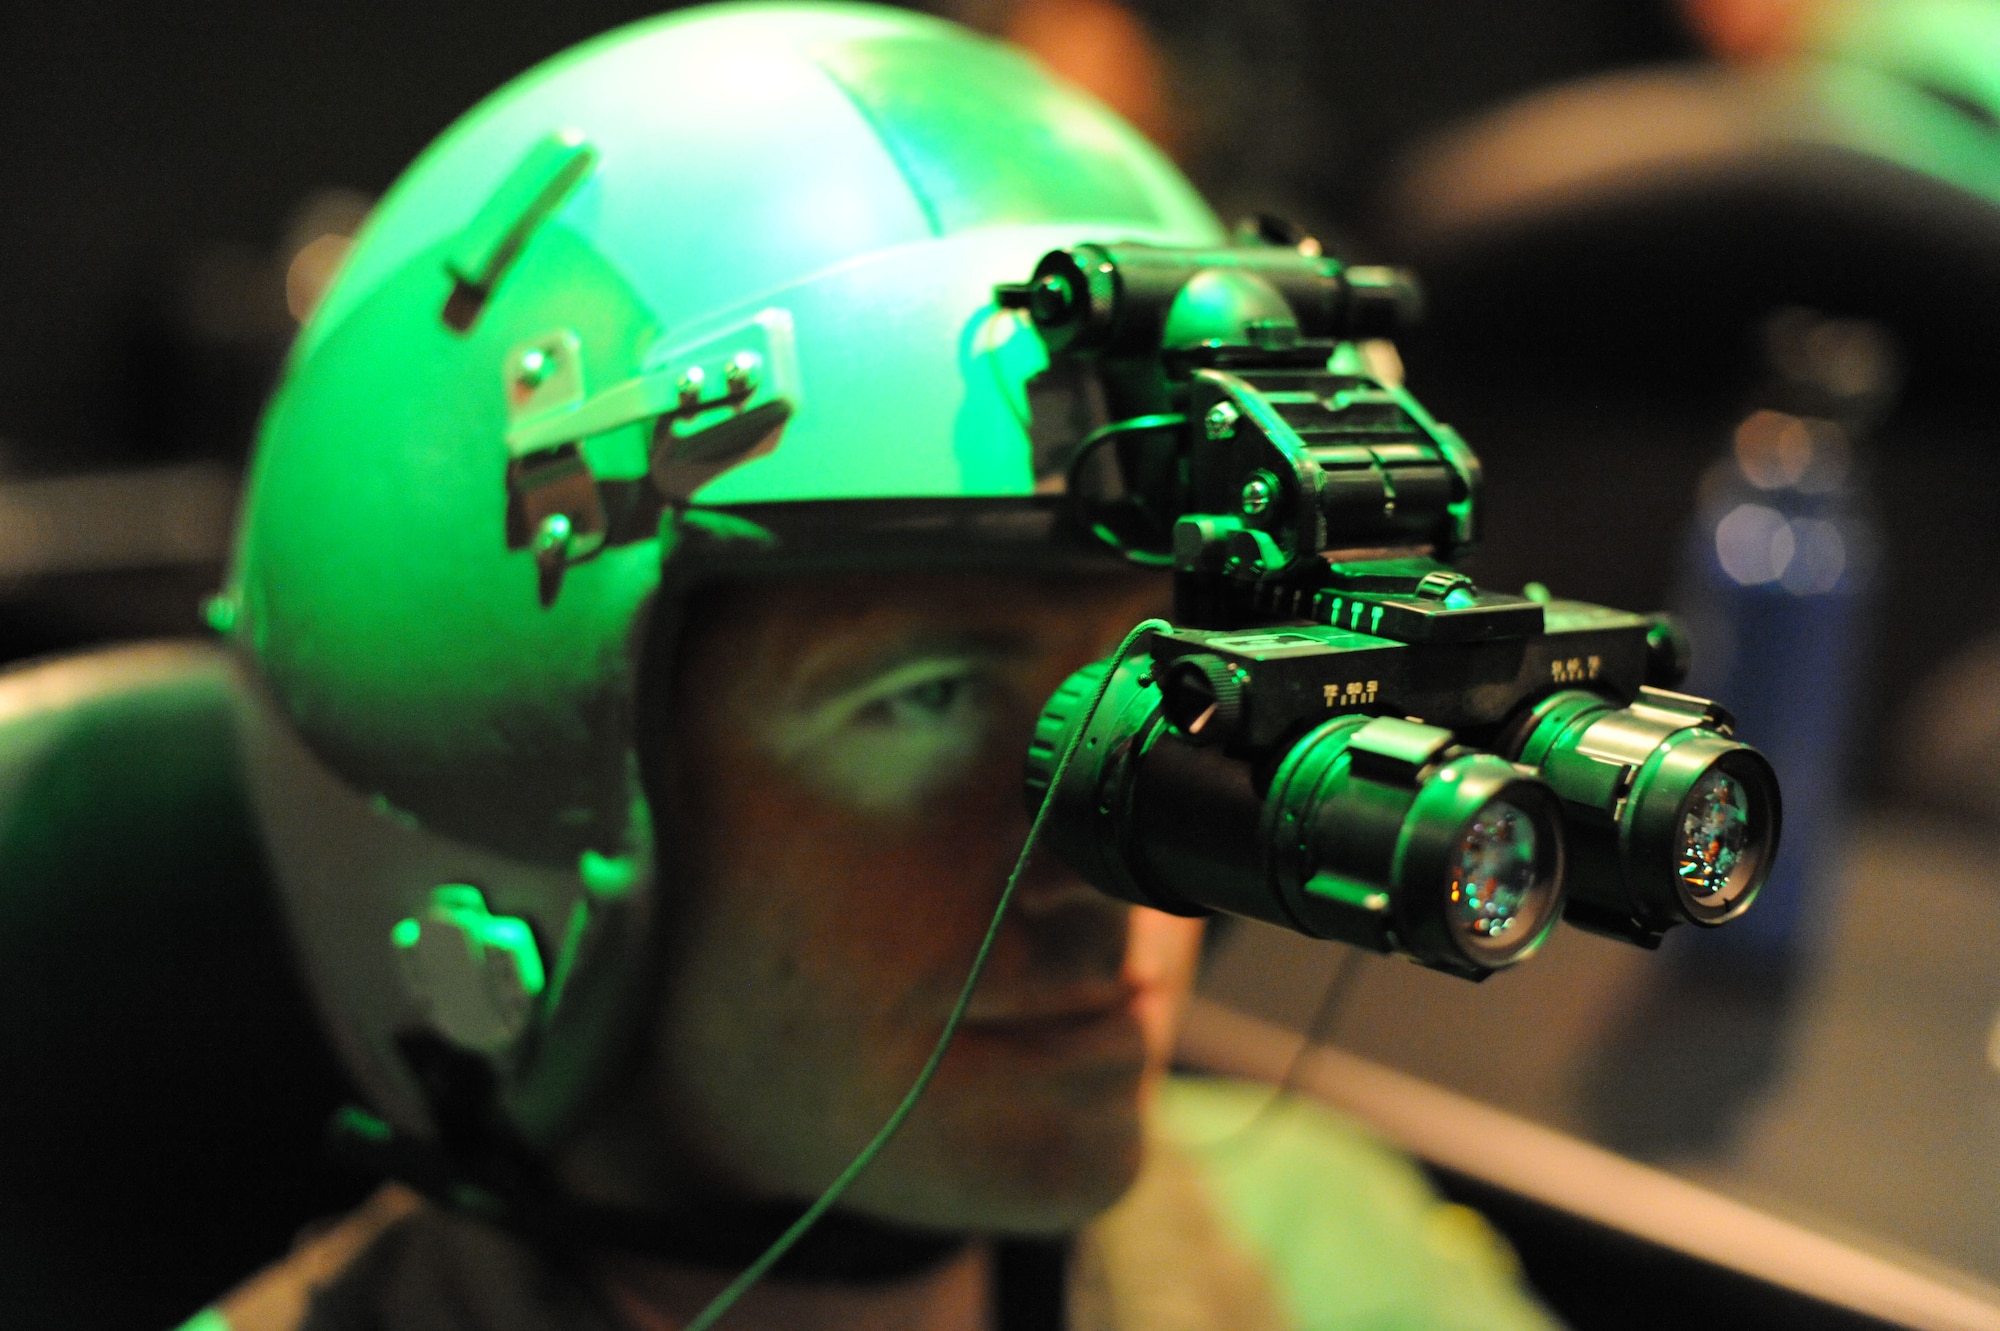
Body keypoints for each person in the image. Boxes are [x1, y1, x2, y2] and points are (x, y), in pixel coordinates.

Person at [180, 5, 1560, 1328]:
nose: (1111, 867)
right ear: (511, 801)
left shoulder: (1327, 1247)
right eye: (929, 698)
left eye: (1174, 687)